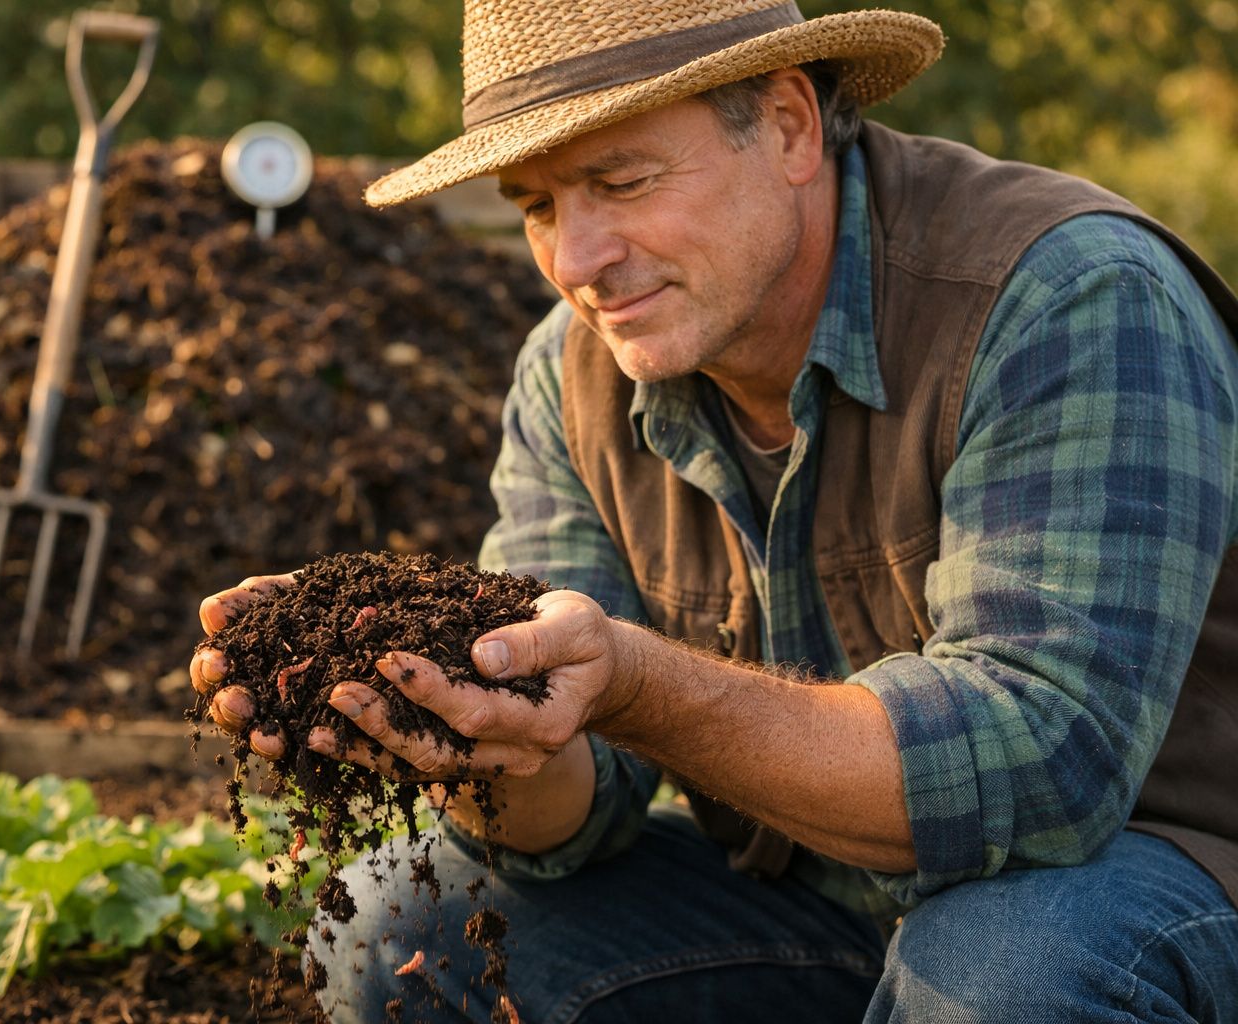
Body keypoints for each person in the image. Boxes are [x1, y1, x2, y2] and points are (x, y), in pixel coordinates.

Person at [190, 1, 1238, 1020]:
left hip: (1155, 889)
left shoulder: (1064, 295)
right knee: (396, 928)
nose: (578, 261)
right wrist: (460, 735)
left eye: (620, 179)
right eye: (539, 205)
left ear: (787, 123)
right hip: (836, 907)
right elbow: (577, 804)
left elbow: (1041, 764)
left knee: (1008, 967)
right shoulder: (573, 378)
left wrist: (637, 683)